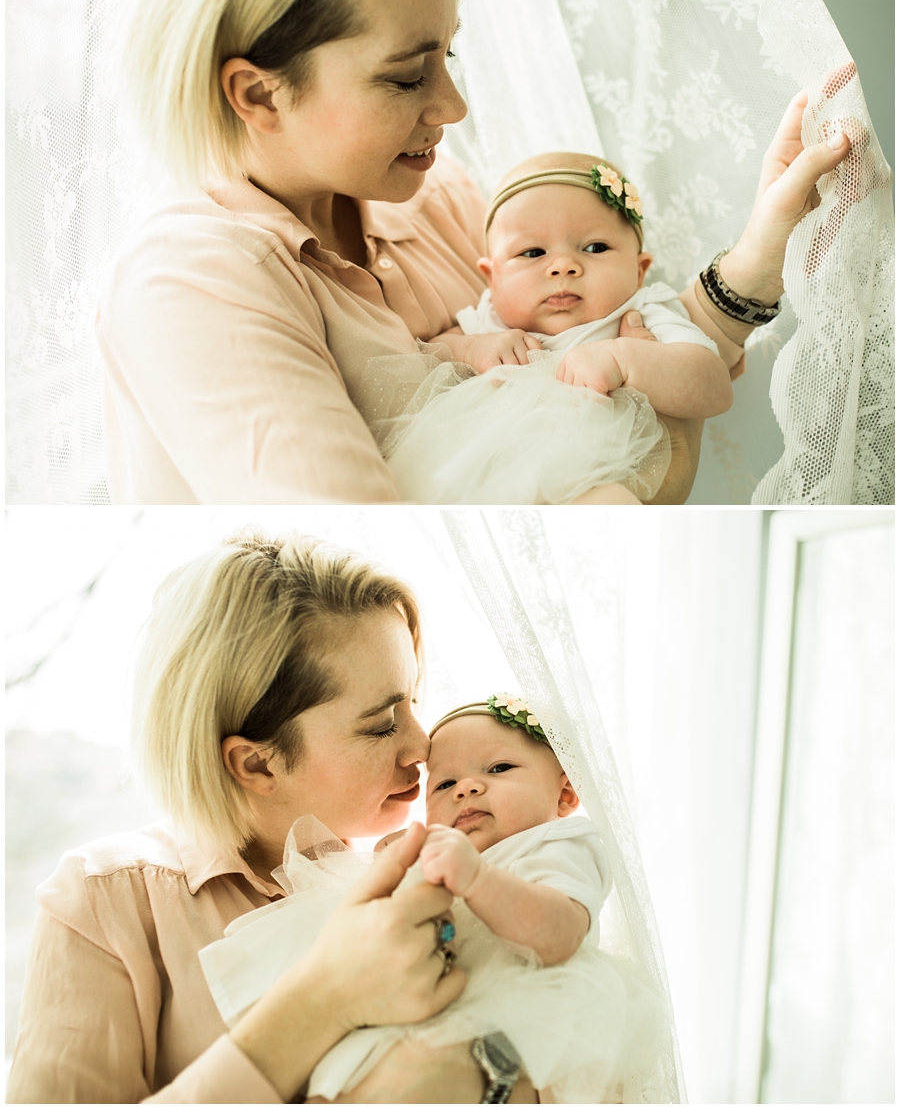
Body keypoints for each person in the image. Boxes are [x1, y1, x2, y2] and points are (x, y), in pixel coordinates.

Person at [96, 0, 852, 505]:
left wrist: (763, 245)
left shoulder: (439, 197)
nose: (453, 107)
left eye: (448, 56)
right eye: (405, 77)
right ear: (260, 93)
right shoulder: (193, 286)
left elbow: (606, 332)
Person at [6, 531, 534, 1104]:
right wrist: (320, 1000)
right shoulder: (107, 902)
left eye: (412, 702)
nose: (422, 746)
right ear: (257, 763)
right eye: (381, 724)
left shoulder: (442, 874)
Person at [200, 697, 666, 1103]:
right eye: (444, 785)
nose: (467, 788)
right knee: (338, 1078)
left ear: (565, 793)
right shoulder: (444, 848)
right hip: (414, 997)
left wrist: (478, 878)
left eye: (499, 768)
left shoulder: (560, 843)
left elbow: (561, 933)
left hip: (519, 1008)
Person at [373, 152, 733, 504]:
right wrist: (473, 347)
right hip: (485, 480)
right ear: (492, 278)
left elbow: (714, 386)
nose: (563, 265)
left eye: (595, 247)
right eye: (532, 253)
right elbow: (431, 352)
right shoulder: (490, 323)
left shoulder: (643, 310)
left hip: (598, 480)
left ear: (639, 271)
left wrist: (625, 359)